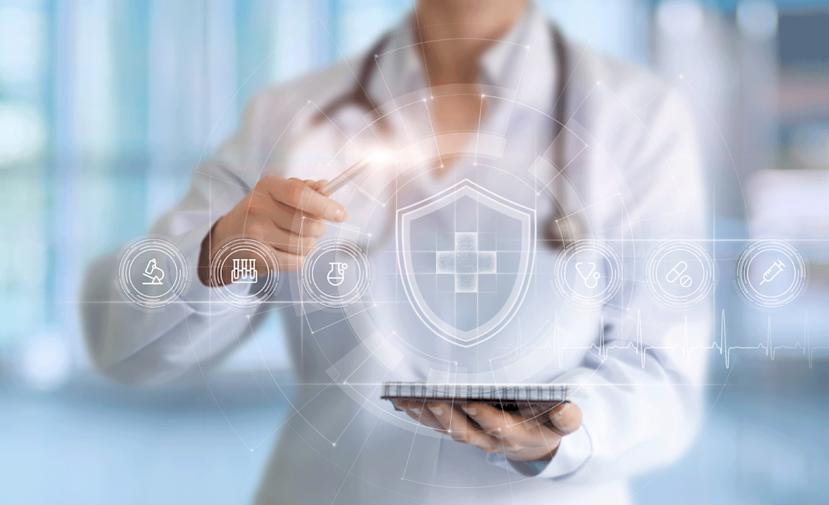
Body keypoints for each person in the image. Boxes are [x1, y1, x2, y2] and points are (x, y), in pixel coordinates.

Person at [81, 0, 710, 503]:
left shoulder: (638, 117)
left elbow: (663, 372)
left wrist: (563, 431)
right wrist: (217, 252)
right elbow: (121, 340)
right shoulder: (291, 117)